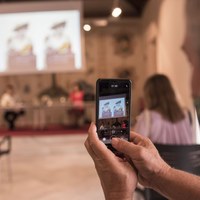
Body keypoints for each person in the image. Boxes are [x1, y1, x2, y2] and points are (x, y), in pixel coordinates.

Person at [84, 0, 200, 199]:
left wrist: (118, 192)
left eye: (192, 61)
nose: (192, 84)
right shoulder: (189, 116)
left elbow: (130, 151)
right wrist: (160, 173)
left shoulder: (147, 117)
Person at [134, 74, 193, 144]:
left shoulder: (147, 117)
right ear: (171, 90)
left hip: (159, 155)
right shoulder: (186, 115)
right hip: (187, 155)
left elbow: (136, 145)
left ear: (149, 94)